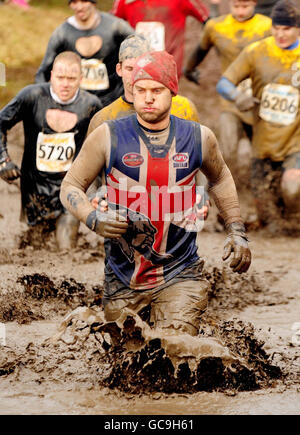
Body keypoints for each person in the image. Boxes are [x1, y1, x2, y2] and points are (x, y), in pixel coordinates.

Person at [60, 50, 251, 336]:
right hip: (123, 277)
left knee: (177, 348)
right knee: (128, 363)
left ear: (173, 91)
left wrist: (236, 230)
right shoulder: (107, 135)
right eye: (141, 90)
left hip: (181, 272)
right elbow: (70, 185)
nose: (148, 97)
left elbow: (221, 178)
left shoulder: (199, 137)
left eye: (157, 90)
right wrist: (92, 218)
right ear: (132, 91)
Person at [87, 34, 209, 218]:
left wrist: (202, 193)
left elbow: (201, 159)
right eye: (129, 68)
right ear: (119, 69)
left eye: (141, 67)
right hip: (123, 214)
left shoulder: (183, 108)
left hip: (173, 211)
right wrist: (94, 197)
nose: (136, 75)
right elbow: (87, 174)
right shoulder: (104, 118)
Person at [0, 51, 102, 249]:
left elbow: (106, 146)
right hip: (34, 188)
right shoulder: (32, 96)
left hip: (71, 187)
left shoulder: (91, 106)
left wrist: (98, 188)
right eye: (60, 77)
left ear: (81, 79)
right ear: (51, 75)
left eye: (71, 79)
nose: (65, 84)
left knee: (65, 247)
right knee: (36, 248)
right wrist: (3, 160)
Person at [216, 0, 300, 230]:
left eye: (287, 29)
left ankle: (295, 220)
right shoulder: (257, 51)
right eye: (277, 28)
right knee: (267, 219)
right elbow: (223, 83)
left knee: (293, 187)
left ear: (297, 28)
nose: (280, 34)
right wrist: (237, 96)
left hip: (295, 143)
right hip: (263, 145)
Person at [184, 0, 272, 179]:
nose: (240, 12)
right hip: (230, 98)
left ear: (254, 4)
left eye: (245, 7)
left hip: (259, 99)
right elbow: (200, 50)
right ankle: (231, 188)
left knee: (263, 154)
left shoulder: (267, 26)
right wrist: (188, 69)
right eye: (236, 6)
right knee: (228, 147)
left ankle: (260, 189)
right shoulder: (216, 27)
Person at [35, 0, 134, 107]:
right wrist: (45, 102)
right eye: (75, 2)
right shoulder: (62, 33)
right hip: (78, 103)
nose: (79, 7)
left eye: (84, 1)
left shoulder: (114, 26)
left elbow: (140, 46)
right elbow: (43, 72)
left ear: (93, 3)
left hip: (114, 98)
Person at [111, 0, 209, 78]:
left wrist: (192, 64)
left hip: (168, 68)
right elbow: (109, 26)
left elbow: (209, 23)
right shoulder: (123, 2)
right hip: (137, 66)